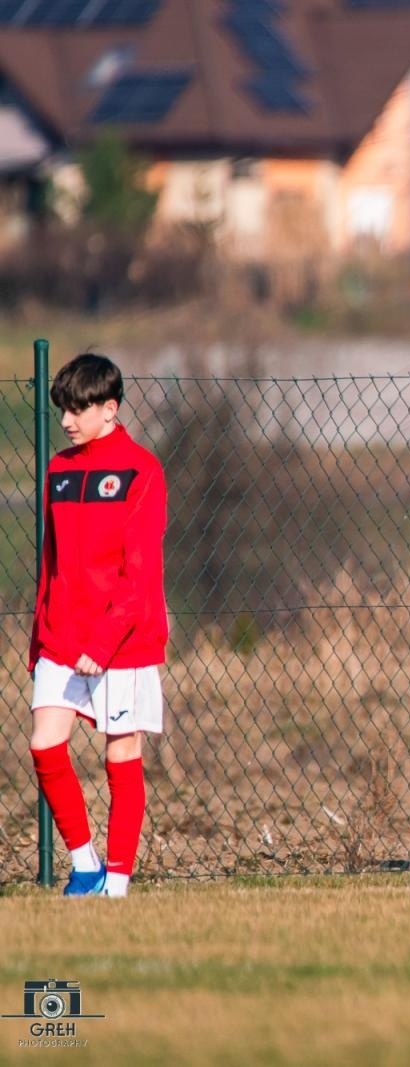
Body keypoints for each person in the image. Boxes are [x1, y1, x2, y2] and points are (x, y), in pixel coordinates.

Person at [29, 353, 168, 896]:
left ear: (109, 409)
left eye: (78, 409)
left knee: (121, 752)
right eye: (63, 409)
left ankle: (116, 882)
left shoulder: (141, 470)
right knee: (44, 744)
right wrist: (39, 638)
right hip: (61, 637)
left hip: (122, 642)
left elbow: (140, 574)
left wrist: (105, 641)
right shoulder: (60, 469)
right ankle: (83, 863)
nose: (66, 420)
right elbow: (51, 560)